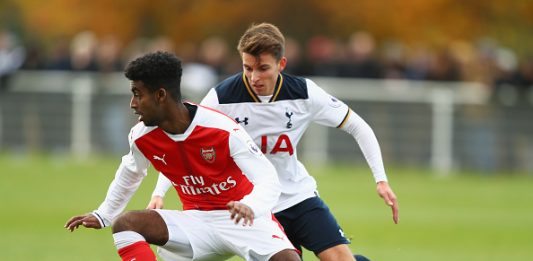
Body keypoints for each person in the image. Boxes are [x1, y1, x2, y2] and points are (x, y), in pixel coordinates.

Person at [148, 23, 399, 261]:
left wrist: (381, 180)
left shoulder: (304, 93)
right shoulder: (222, 98)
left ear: (281, 64)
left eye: (263, 68)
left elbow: (358, 126)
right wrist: (159, 193)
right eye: (247, 68)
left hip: (298, 197)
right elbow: (184, 144)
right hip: (255, 208)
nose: (254, 76)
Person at [64, 51, 301, 261]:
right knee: (126, 224)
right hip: (195, 223)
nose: (133, 104)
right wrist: (103, 214)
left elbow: (268, 178)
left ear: (160, 95)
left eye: (138, 94)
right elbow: (130, 173)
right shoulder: (141, 135)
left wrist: (250, 206)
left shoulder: (222, 129)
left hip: (242, 220)